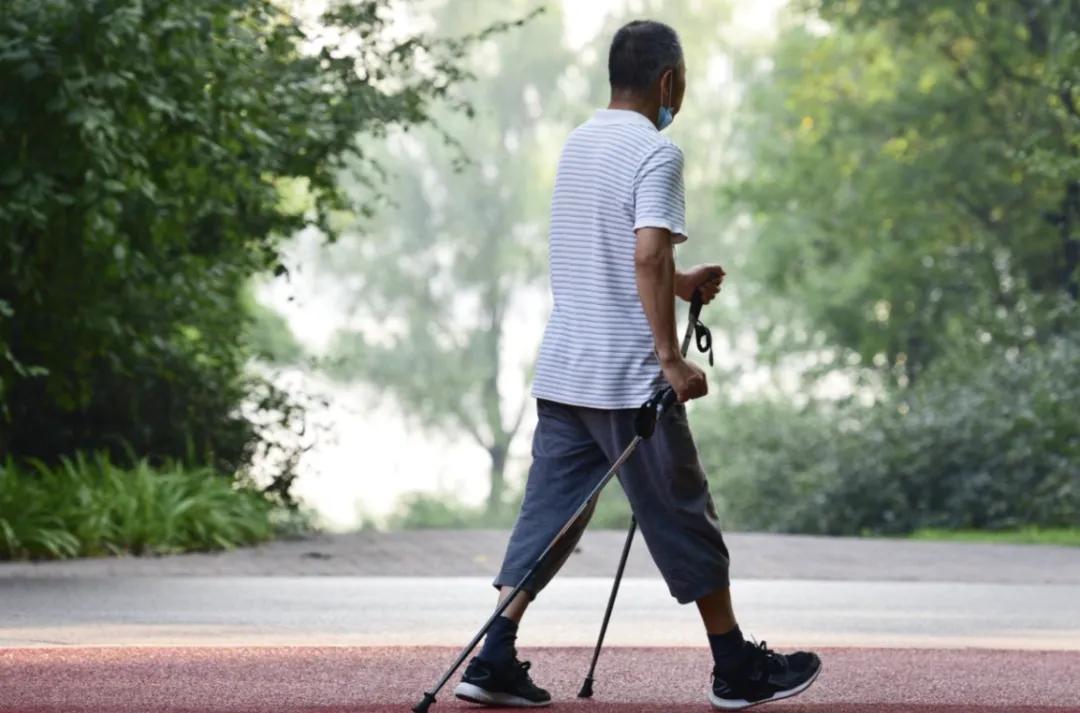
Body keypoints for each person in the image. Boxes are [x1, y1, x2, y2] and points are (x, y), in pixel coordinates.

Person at [453, 19, 822, 711]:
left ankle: (494, 654)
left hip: (566, 369)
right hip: (629, 379)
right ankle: (734, 667)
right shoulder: (658, 153)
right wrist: (671, 357)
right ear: (667, 81)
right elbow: (646, 252)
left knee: (550, 516)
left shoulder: (578, 143)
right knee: (685, 512)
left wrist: (683, 285)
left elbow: (620, 252)